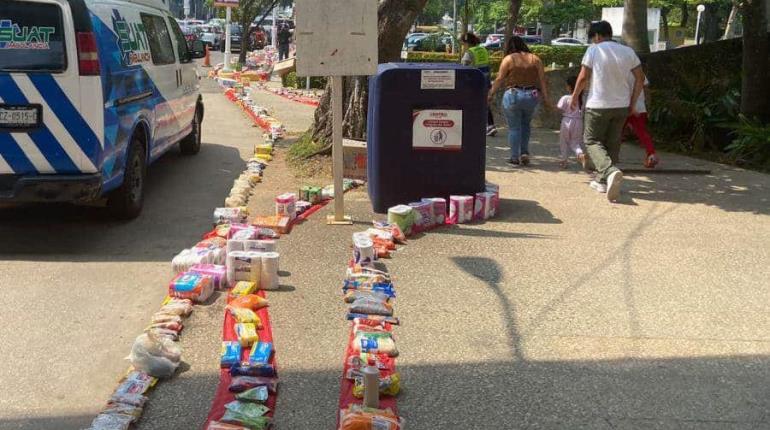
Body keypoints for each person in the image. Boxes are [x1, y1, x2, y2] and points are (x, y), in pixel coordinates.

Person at [570, 20, 644, 202]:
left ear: (597, 35)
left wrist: (574, 96)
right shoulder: (628, 52)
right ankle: (603, 181)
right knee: (612, 142)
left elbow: (583, 77)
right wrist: (633, 103)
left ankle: (610, 171)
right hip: (622, 106)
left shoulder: (594, 50)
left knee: (592, 140)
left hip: (598, 105)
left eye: (592, 37)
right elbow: (640, 78)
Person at [488, 35, 550, 166]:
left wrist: (490, 93)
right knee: (526, 125)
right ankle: (525, 153)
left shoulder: (509, 59)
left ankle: (514, 158)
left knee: (514, 128)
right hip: (532, 96)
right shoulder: (535, 59)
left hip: (513, 95)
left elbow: (499, 78)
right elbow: (543, 80)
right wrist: (545, 97)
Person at [461, 32, 496, 137]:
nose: (462, 46)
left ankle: (472, 126)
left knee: (470, 104)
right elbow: (487, 66)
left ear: (467, 42)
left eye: (463, 43)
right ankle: (490, 125)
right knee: (485, 104)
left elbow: (464, 68)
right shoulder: (483, 50)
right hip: (485, 80)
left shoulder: (469, 52)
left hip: (473, 82)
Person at [624, 73, 659, 168]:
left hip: (623, 106)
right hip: (640, 107)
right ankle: (651, 155)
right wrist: (648, 105)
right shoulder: (639, 71)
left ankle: (607, 158)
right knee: (642, 132)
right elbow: (646, 89)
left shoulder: (620, 69)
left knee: (615, 132)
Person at [557, 76, 586, 169]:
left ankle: (564, 161)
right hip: (579, 121)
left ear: (569, 87)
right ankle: (580, 154)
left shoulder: (565, 98)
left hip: (566, 120)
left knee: (564, 141)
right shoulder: (583, 99)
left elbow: (559, 108)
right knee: (575, 142)